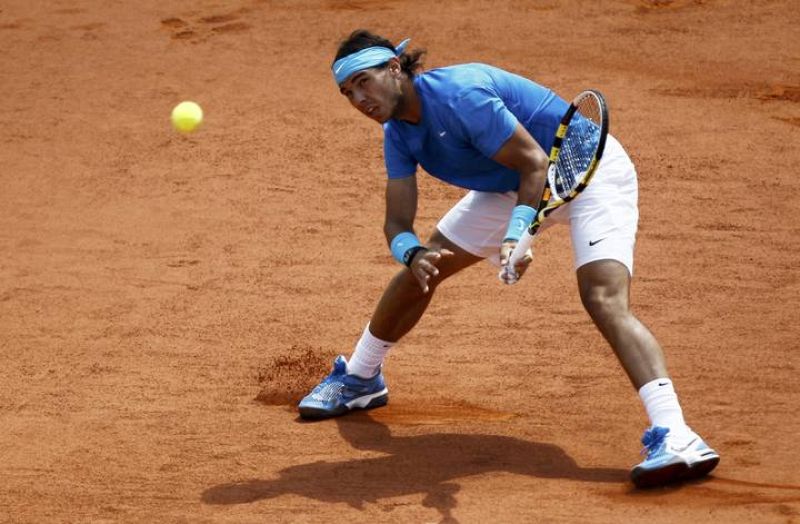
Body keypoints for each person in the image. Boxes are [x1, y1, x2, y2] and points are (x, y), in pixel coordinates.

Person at [298, 29, 719, 488]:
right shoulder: (397, 134)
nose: (359, 98)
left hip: (586, 171)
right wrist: (413, 252)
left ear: (395, 68)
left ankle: (676, 433)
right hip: (509, 187)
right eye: (348, 92)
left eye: (364, 81)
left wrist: (518, 233)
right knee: (423, 270)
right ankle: (361, 378)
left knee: (602, 297)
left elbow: (535, 163)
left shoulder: (461, 95)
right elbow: (397, 224)